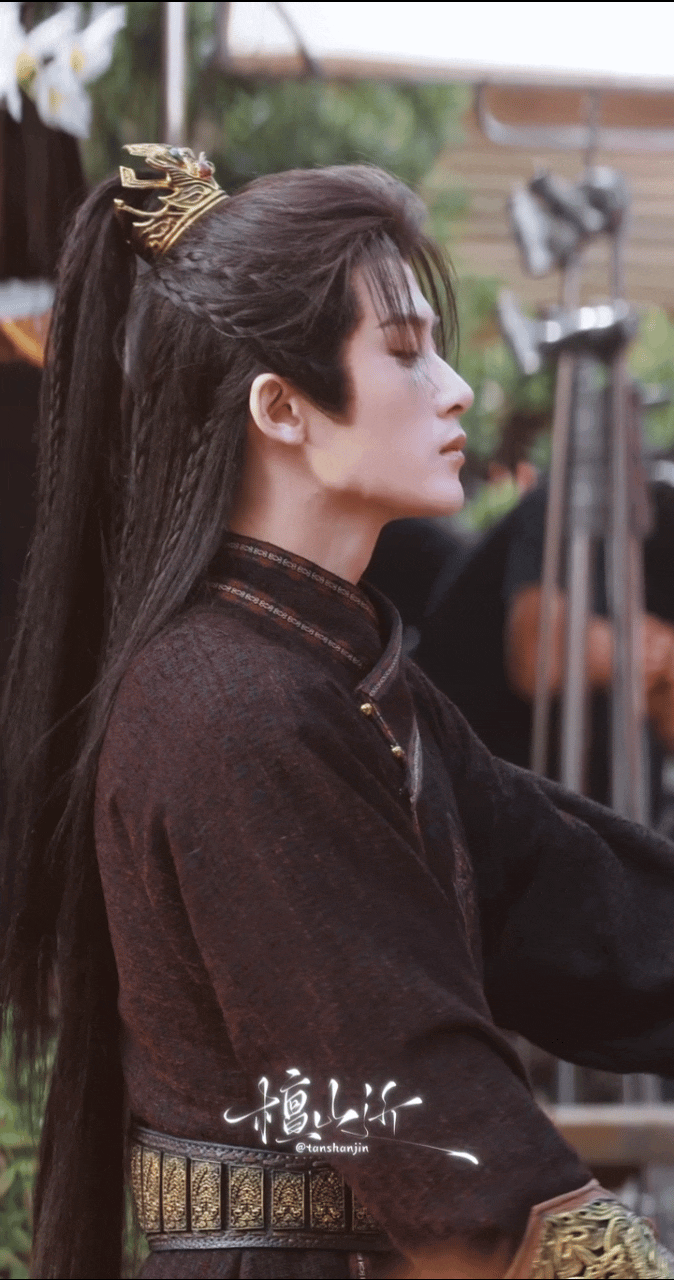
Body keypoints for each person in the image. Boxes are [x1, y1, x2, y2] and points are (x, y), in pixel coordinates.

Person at [2, 145, 674, 1280]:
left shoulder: (326, 666)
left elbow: (571, 896)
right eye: (406, 352)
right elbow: (406, 1086)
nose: (456, 388)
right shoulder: (232, 706)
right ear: (281, 406)